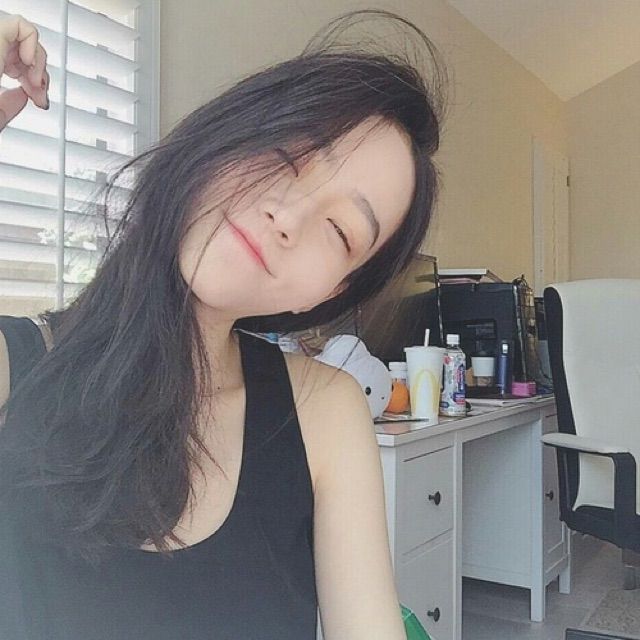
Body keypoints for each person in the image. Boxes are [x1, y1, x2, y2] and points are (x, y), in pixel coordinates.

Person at [0, 9, 447, 640]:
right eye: (288, 155)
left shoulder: (325, 412)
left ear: (331, 290)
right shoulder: (15, 367)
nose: (289, 216)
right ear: (224, 136)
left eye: (340, 230)